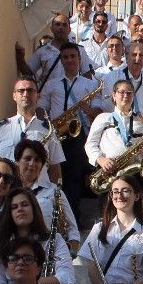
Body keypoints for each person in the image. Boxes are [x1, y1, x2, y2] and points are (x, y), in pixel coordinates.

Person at [39, 43, 104, 225]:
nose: (69, 60)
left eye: (73, 56)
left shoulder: (90, 84)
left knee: (74, 180)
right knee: (55, 178)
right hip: (55, 135)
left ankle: (72, 220)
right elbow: (40, 108)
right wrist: (49, 123)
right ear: (61, 60)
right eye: (65, 57)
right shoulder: (52, 85)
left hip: (77, 137)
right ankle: (53, 218)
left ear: (79, 59)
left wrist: (88, 110)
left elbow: (99, 111)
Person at [0, 188, 74, 284]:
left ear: (34, 209)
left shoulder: (55, 239)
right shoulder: (0, 247)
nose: (20, 209)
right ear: (9, 214)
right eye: (14, 207)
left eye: (24, 204)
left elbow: (66, 279)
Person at [0, 78, 65, 185]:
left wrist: (55, 194)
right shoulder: (0, 128)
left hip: (37, 195)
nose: (25, 94)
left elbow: (55, 167)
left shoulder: (48, 130)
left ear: (37, 96)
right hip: (6, 192)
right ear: (14, 96)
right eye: (21, 91)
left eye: (30, 90)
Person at [11, 139, 80, 254]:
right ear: (17, 161)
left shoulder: (54, 192)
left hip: (47, 258)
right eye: (27, 158)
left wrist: (70, 253)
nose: (32, 164)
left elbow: (72, 229)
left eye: (37, 160)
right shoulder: (9, 192)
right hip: (15, 258)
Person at [86, 78, 143, 185]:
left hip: (136, 174)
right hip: (109, 172)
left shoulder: (142, 121)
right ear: (114, 95)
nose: (126, 96)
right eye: (122, 92)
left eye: (129, 93)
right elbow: (90, 144)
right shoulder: (103, 118)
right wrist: (100, 159)